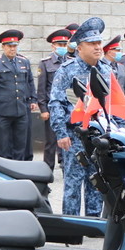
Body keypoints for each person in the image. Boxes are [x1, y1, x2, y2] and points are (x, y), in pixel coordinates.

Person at [47, 17, 113, 217]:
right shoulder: (67, 70)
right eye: (92, 44)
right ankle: (71, 225)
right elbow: (56, 103)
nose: (98, 47)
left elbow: (113, 104)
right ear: (80, 47)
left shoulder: (106, 70)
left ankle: (93, 224)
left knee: (97, 183)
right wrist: (61, 133)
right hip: (75, 136)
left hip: (99, 137)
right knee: (73, 185)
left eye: (99, 43)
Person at [0, 29, 38, 161]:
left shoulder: (24, 62)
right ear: (3, 47)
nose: (12, 49)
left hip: (21, 109)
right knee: (3, 146)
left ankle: (18, 168)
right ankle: (4, 169)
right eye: (9, 46)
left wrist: (33, 99)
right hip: (4, 110)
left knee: (20, 145)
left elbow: (29, 82)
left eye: (15, 46)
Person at [36, 28, 71, 170]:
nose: (62, 47)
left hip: (68, 108)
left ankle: (66, 166)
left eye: (64, 45)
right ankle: (47, 170)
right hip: (53, 108)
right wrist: (43, 109)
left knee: (68, 139)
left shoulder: (71, 62)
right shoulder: (45, 63)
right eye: (59, 45)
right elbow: (41, 88)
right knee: (51, 141)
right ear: (53, 46)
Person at [102, 34, 125, 126]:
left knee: (122, 130)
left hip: (120, 106)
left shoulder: (121, 67)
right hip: (107, 106)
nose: (120, 53)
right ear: (109, 52)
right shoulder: (99, 66)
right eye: (117, 50)